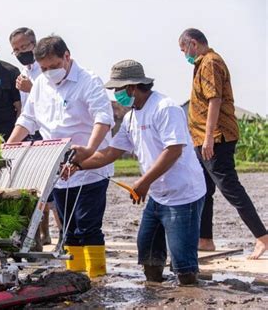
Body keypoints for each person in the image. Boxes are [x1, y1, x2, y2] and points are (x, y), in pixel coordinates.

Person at [66, 60, 206, 285]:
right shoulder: (131, 116)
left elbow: (174, 151)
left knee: (183, 264)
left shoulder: (165, 108)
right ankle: (154, 290)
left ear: (131, 87)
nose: (116, 94)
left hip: (182, 195)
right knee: (148, 252)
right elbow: (110, 153)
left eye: (117, 90)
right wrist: (79, 166)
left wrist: (143, 182)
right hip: (158, 194)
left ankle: (190, 292)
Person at [7, 35, 115, 278]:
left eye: (54, 66)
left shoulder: (88, 81)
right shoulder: (41, 85)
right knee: (68, 228)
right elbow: (28, 119)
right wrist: (9, 146)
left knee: (88, 226)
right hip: (57, 168)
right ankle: (75, 276)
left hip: (89, 168)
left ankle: (97, 277)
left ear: (67, 56)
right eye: (44, 68)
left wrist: (89, 149)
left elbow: (103, 118)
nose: (49, 72)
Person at [179, 28, 268, 259]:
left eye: (184, 50)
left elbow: (214, 100)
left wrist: (208, 137)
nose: (184, 55)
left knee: (230, 187)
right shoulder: (202, 63)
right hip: (202, 139)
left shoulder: (210, 62)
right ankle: (205, 239)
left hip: (216, 138)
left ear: (194, 44)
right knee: (203, 190)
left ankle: (263, 237)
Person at [9, 27, 61, 246]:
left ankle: (62, 233)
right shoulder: (25, 73)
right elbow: (26, 111)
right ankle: (40, 235)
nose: (21, 52)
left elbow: (55, 98)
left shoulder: (46, 70)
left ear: (34, 44)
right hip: (30, 133)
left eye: (25, 47)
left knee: (55, 186)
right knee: (34, 186)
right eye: (16, 49)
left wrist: (32, 89)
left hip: (48, 132)